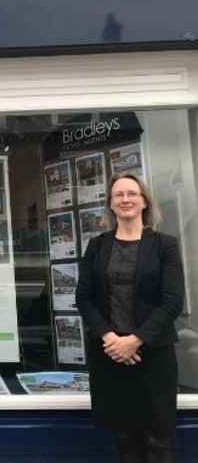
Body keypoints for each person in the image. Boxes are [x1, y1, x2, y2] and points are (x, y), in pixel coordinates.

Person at [75, 174, 184, 463]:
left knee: (159, 441)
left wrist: (134, 341)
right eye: (118, 195)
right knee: (125, 441)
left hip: (153, 356)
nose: (125, 199)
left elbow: (172, 301)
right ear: (110, 204)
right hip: (111, 356)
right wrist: (111, 339)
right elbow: (83, 298)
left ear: (144, 201)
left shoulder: (164, 245)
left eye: (132, 194)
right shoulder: (97, 246)